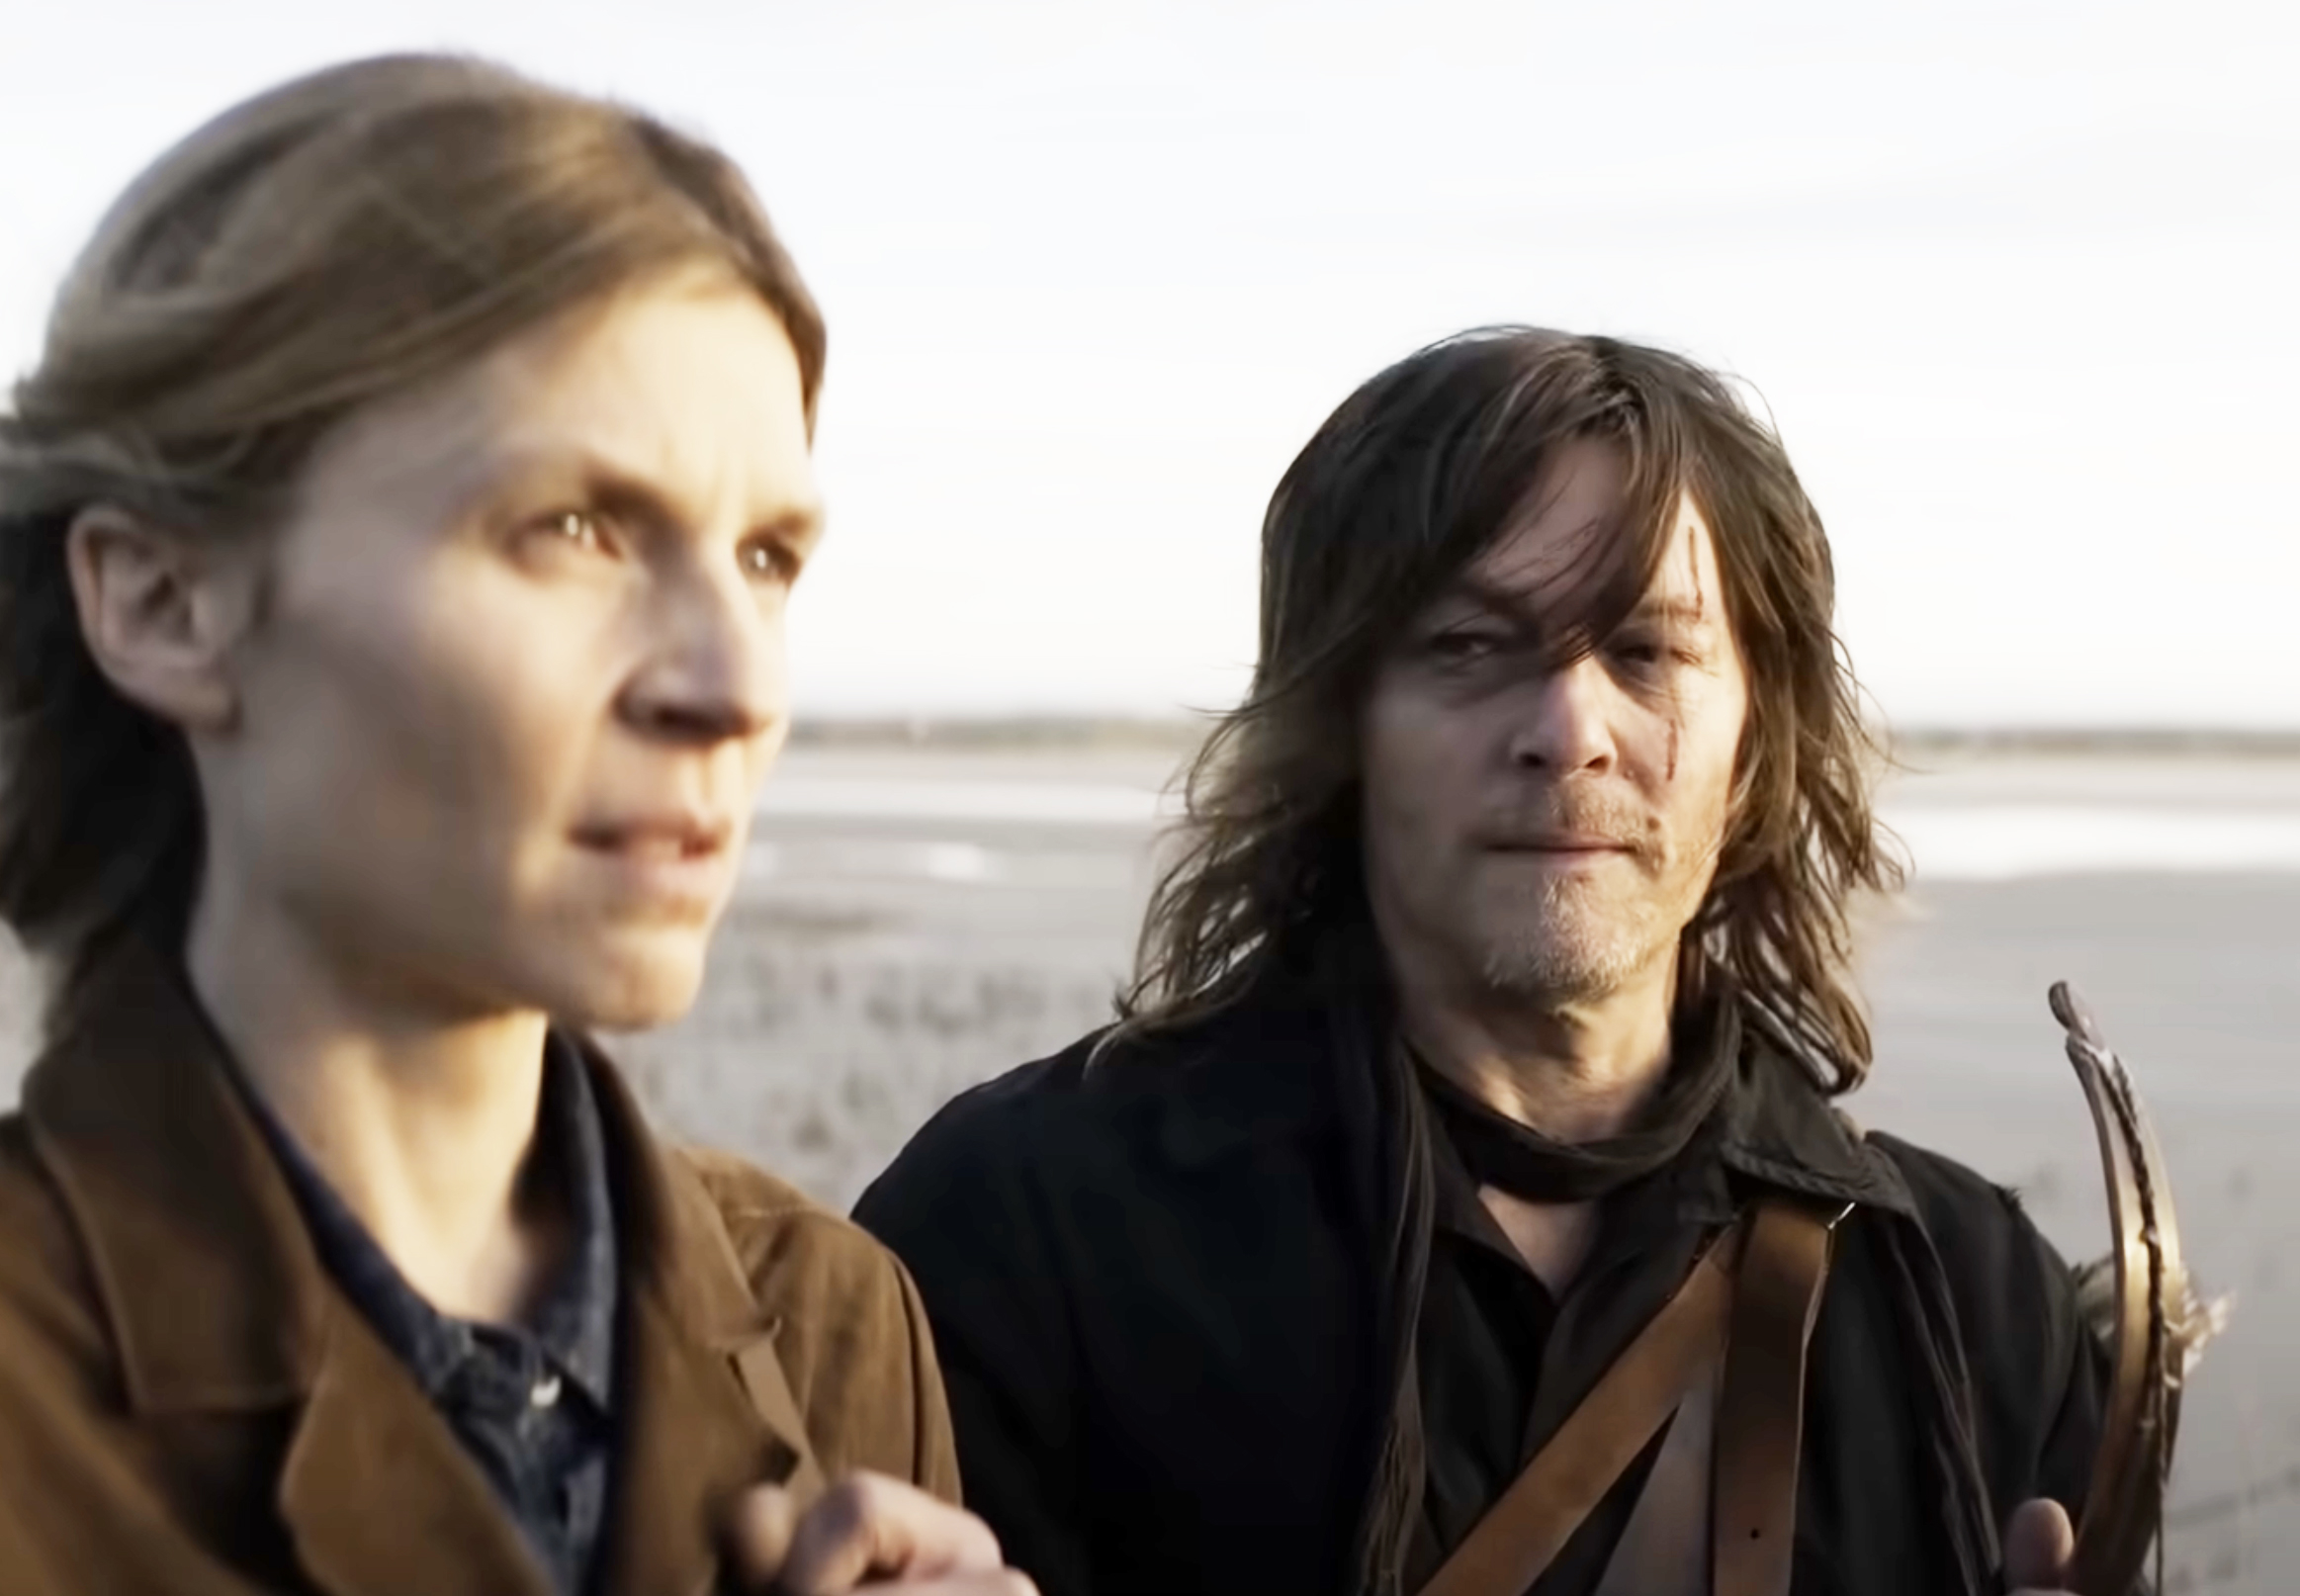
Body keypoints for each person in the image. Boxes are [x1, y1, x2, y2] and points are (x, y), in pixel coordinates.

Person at [855, 329, 2115, 1596]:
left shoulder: (1967, 1302)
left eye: (1646, 653)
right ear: (1338, 723)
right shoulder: (1030, 1237)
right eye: (1469, 644)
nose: (1568, 731)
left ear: (1758, 743)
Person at [0, 54, 1028, 1596]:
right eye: (575, 528)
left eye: (764, 556)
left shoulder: (830, 1324)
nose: (734, 685)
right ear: (163, 600)